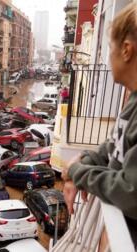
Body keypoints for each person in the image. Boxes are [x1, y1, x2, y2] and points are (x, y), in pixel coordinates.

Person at [61, 2, 137, 244]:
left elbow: (131, 192)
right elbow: (113, 145)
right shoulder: (133, 99)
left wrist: (77, 172)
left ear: (126, 49)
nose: (108, 55)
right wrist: (86, 159)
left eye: (110, 47)